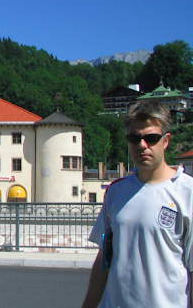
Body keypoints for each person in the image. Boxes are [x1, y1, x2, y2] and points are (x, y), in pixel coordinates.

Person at [82, 100, 193, 307]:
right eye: (134, 138)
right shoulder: (116, 192)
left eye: (151, 138)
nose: (142, 145)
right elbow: (103, 260)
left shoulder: (187, 193)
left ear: (166, 140)